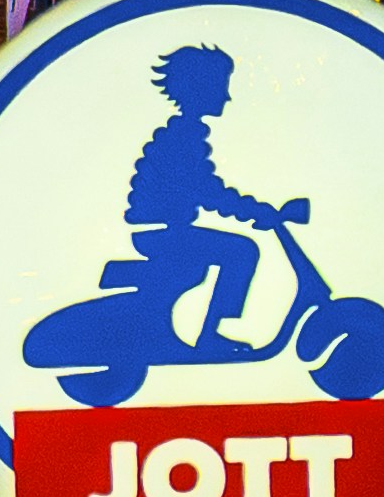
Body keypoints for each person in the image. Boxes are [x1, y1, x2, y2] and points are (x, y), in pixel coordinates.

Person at [118, 45, 300, 347]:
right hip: (161, 232)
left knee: (235, 250)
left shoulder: (183, 133)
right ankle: (210, 335)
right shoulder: (183, 137)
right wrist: (255, 210)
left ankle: (208, 332)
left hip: (162, 230)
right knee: (241, 251)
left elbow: (201, 187)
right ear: (198, 88)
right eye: (220, 87)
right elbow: (205, 189)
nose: (226, 97)